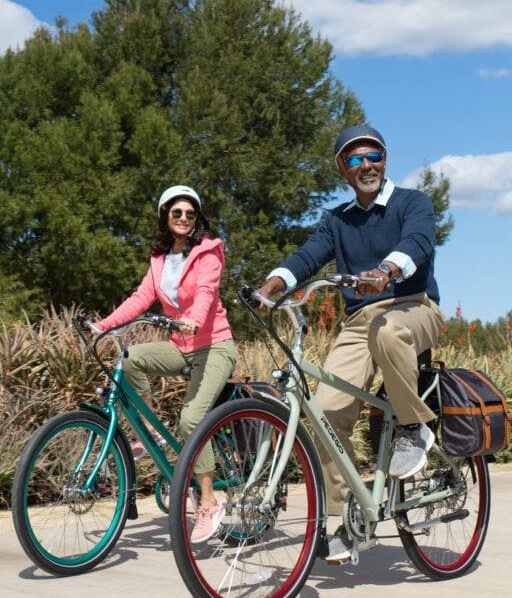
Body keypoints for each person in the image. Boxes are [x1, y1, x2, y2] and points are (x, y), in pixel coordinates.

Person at [258, 124, 444, 562]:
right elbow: (307, 256)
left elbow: (417, 241)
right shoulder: (336, 220)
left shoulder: (412, 202)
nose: (367, 165)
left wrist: (387, 270)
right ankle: (347, 519)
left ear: (385, 158)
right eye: (356, 159)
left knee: (390, 331)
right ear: (343, 169)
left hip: (413, 306)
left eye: (374, 155)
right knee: (326, 414)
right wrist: (272, 286)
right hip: (360, 321)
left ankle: (413, 428)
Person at [96, 185, 235, 544]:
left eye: (190, 213)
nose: (184, 219)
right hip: (181, 346)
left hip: (214, 346)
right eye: (177, 213)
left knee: (191, 418)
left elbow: (206, 291)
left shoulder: (208, 251)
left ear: (197, 218)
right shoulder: (159, 260)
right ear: (165, 216)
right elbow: (141, 297)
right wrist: (104, 325)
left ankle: (208, 502)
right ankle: (152, 433)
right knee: (131, 358)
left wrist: (193, 318)